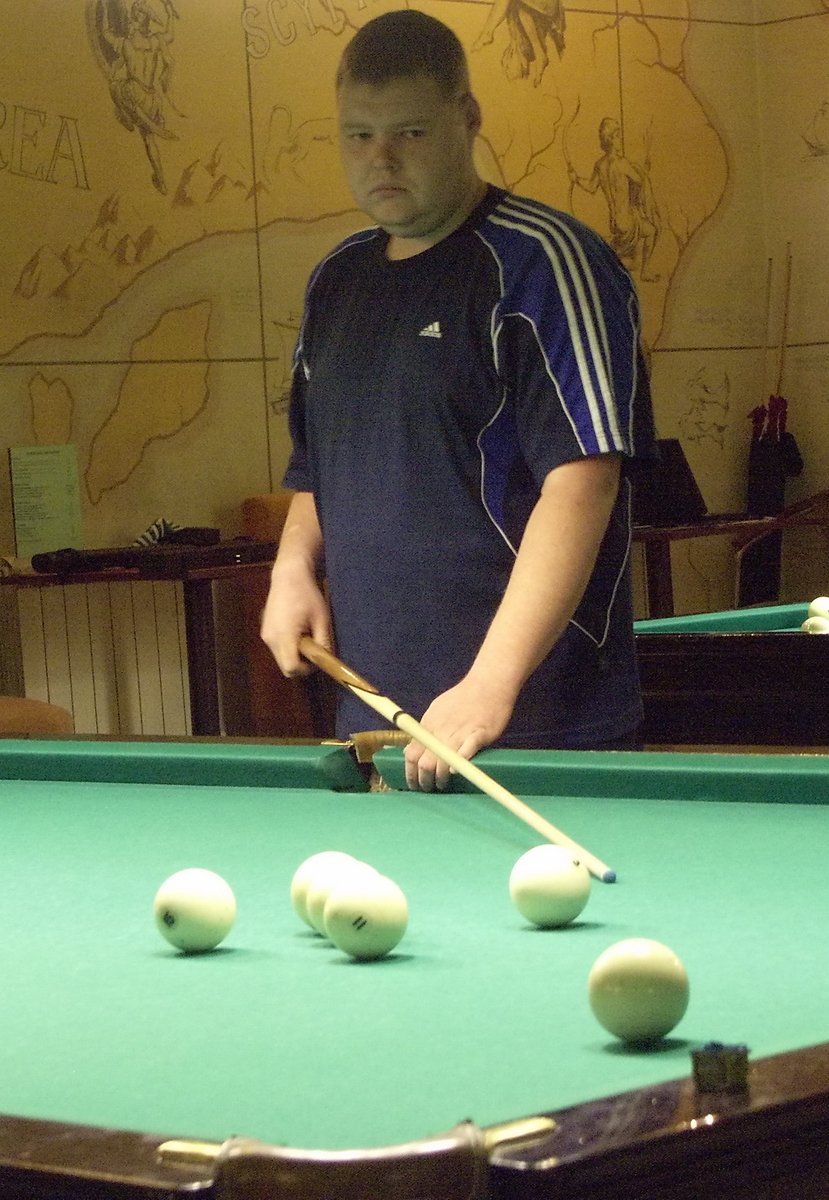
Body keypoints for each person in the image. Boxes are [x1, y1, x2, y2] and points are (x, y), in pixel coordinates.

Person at [261, 10, 653, 789]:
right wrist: (292, 566)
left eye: (408, 132)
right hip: (378, 724)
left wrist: (490, 684)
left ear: (467, 118)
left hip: (534, 727)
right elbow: (318, 470)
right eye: (358, 135)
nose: (380, 158)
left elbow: (584, 482)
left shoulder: (546, 263)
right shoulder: (336, 281)